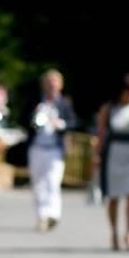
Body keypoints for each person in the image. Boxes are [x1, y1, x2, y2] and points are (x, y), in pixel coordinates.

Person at [95, 73, 129, 251]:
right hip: (112, 154)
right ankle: (114, 233)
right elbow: (101, 134)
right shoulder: (108, 109)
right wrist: (97, 155)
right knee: (114, 197)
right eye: (128, 90)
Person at [24, 69, 76, 232]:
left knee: (53, 182)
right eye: (49, 82)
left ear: (60, 85)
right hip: (37, 147)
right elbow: (24, 120)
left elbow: (73, 122)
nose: (52, 86)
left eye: (55, 82)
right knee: (38, 183)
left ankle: (53, 214)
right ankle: (41, 215)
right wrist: (34, 116)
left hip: (55, 149)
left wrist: (61, 124)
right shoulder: (36, 102)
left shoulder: (64, 103)